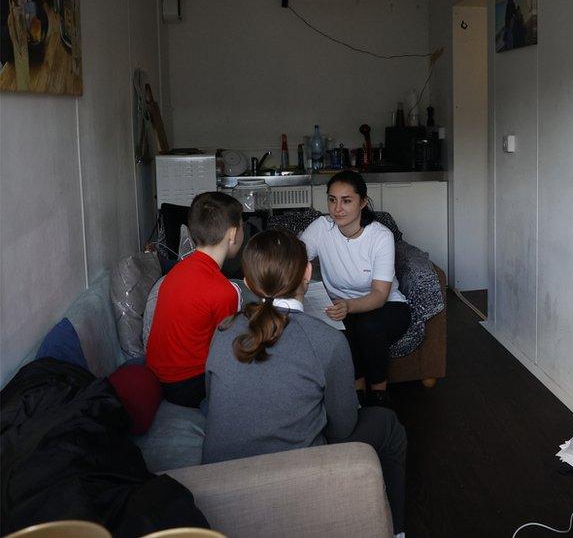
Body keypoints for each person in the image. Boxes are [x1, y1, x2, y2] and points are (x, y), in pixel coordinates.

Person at [204, 230, 407, 536]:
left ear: (246, 282)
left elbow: (213, 399)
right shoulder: (326, 340)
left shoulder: (223, 330)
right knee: (388, 424)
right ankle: (395, 531)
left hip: (219, 481)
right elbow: (341, 427)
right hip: (295, 475)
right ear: (308, 273)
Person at [300, 171, 411, 407]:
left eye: (346, 200)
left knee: (367, 326)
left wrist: (349, 306)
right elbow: (292, 259)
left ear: (362, 202)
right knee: (342, 330)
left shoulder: (380, 236)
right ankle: (357, 392)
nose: (337, 208)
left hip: (387, 306)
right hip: (342, 307)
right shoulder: (321, 228)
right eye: (332, 200)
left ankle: (379, 394)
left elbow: (380, 295)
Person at [146, 192, 243, 408]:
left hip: (157, 375)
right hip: (187, 385)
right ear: (234, 234)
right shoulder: (223, 290)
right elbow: (228, 351)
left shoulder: (177, 270)